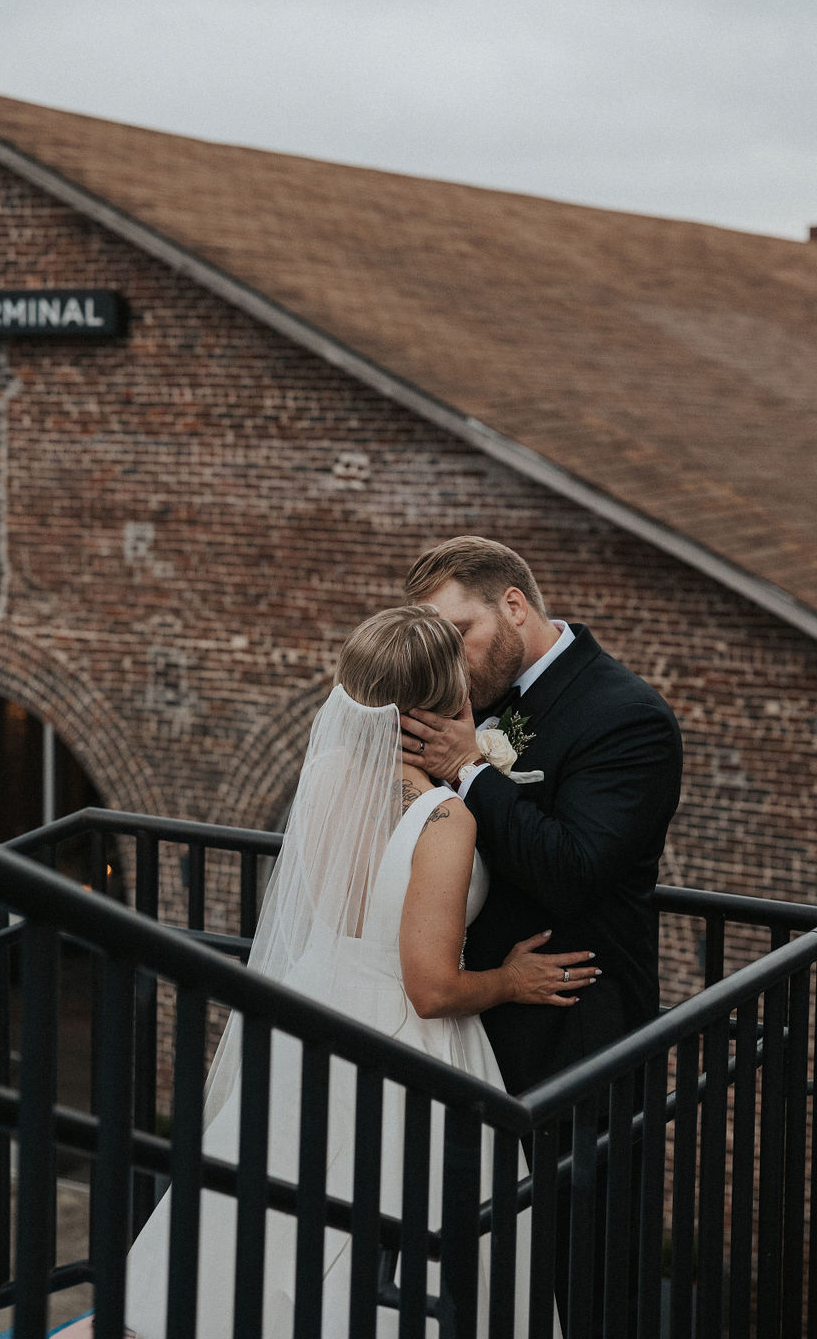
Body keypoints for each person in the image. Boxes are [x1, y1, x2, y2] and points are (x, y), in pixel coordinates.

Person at [53, 607, 594, 1339]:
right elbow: (430, 989)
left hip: (313, 1012)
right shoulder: (442, 819)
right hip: (403, 1050)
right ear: (445, 698)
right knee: (400, 1227)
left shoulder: (325, 771)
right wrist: (510, 979)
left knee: (273, 1203)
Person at [400, 537, 683, 1095]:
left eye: (459, 635)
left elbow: (574, 870)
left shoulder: (627, 717)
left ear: (513, 606)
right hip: (462, 1023)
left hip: (570, 1036)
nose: (451, 661)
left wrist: (468, 768)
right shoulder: (470, 696)